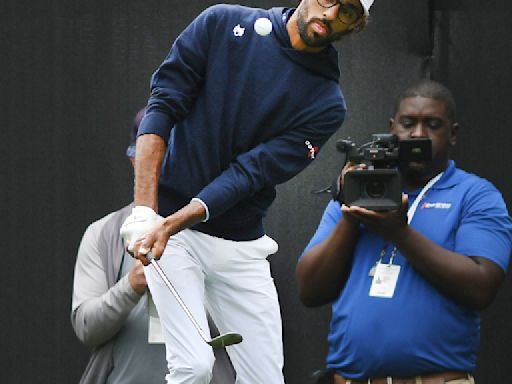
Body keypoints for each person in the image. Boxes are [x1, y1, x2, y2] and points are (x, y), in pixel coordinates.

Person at [121, 1, 376, 383]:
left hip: (238, 245)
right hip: (172, 235)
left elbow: (251, 172)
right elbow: (164, 103)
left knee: (266, 379)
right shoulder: (222, 23)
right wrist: (145, 211)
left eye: (348, 11)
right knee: (193, 366)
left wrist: (171, 222)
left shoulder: (326, 103)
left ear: (356, 25)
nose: (330, 13)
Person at [296, 79, 512, 384]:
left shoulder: (475, 195)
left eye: (433, 125)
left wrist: (400, 233)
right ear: (391, 127)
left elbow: (481, 287)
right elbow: (310, 291)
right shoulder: (359, 189)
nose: (419, 134)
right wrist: (351, 216)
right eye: (408, 123)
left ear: (453, 134)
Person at [71, 108, 235, 384]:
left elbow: (245, 328)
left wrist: (185, 280)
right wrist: (132, 285)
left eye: (174, 154)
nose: (163, 164)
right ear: (134, 159)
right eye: (150, 154)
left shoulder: (226, 229)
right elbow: (87, 328)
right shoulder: (103, 233)